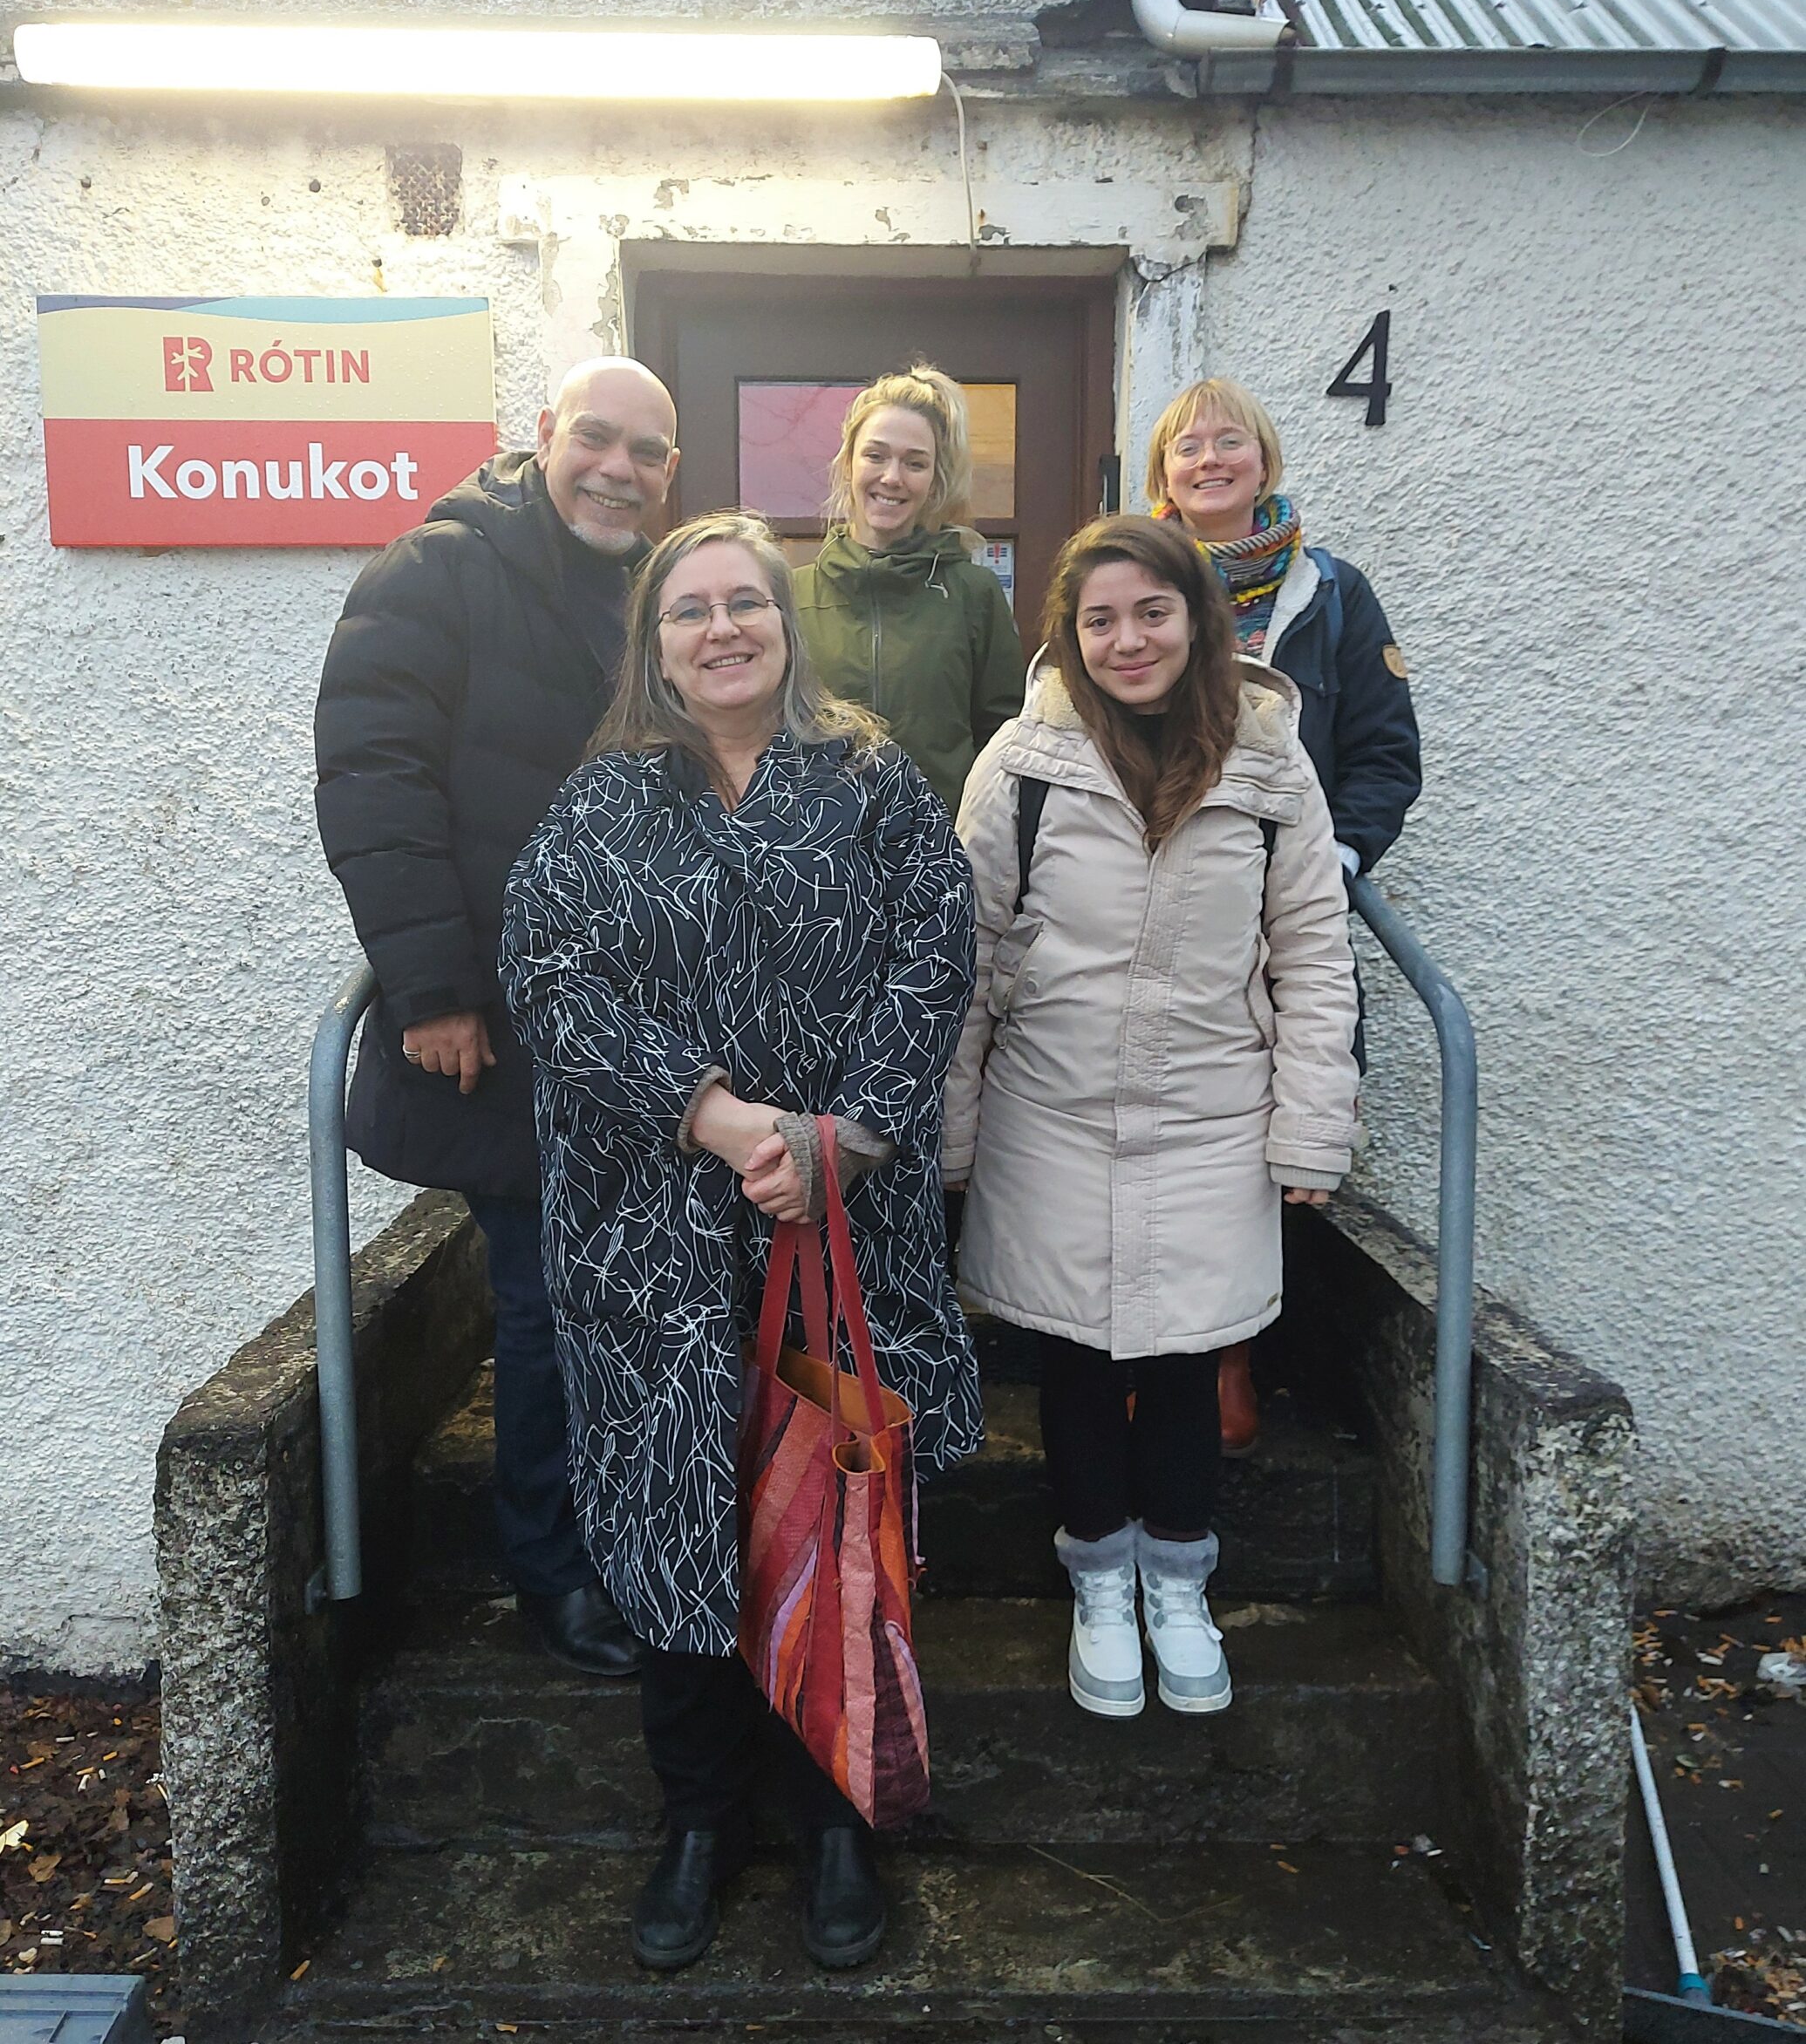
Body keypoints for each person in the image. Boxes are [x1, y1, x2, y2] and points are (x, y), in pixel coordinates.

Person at [498, 511, 983, 1972]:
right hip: (653, 1237)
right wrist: (711, 1117)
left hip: (839, 1227)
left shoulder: (872, 781)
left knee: (828, 1514)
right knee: (672, 1515)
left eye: (745, 603)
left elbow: (935, 956)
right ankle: (699, 1819)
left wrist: (848, 1137)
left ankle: (835, 1817)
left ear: (785, 622)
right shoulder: (600, 804)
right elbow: (548, 979)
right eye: (690, 609)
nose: (721, 629)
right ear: (654, 645)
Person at [944, 514, 1358, 1723]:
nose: (1127, 640)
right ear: (1068, 636)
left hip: (1211, 1112)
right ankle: (1096, 1579)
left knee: (1185, 1357)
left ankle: (1177, 1581)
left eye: (1151, 613)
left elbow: (1312, 953)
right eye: (1099, 620)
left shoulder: (1271, 762)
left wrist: (1309, 1127)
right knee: (1074, 1356)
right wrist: (950, 1130)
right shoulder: (1021, 764)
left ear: (1196, 618)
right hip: (1052, 1110)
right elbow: (963, 957)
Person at [315, 357, 680, 1679]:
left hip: (631, 1036)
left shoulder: (648, 590)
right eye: (597, 438)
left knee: (623, 1302)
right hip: (500, 1028)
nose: (618, 469)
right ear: (542, 436)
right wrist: (431, 990)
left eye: (647, 452)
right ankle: (554, 1568)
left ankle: (630, 1537)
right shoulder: (437, 568)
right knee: (544, 1306)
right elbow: (373, 776)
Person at [1146, 376, 1421, 1451]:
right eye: (1186, 446)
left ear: (1264, 460)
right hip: (1161, 897)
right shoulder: (1134, 577)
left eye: (1230, 441)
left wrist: (1336, 855)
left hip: (1286, 913)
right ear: (1162, 472)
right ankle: (1151, 1350)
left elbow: (1386, 753)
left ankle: (1234, 1356)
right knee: (1158, 1119)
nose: (1209, 459)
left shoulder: (1332, 593)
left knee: (1270, 1129)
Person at [794, 363, 1026, 821]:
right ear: (848, 463)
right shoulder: (793, 595)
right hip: (818, 850)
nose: (892, 477)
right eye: (875, 456)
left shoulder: (972, 593)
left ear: (935, 479)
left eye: (914, 463)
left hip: (941, 847)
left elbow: (1004, 742)